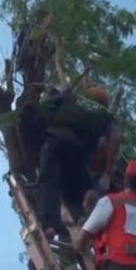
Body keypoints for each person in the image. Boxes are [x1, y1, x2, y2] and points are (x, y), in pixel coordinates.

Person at [35, 85, 115, 240]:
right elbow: (114, 141)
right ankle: (81, 218)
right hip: (80, 153)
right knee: (73, 193)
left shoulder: (71, 98)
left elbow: (43, 108)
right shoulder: (107, 117)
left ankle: (50, 225)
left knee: (49, 182)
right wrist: (107, 173)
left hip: (56, 141)